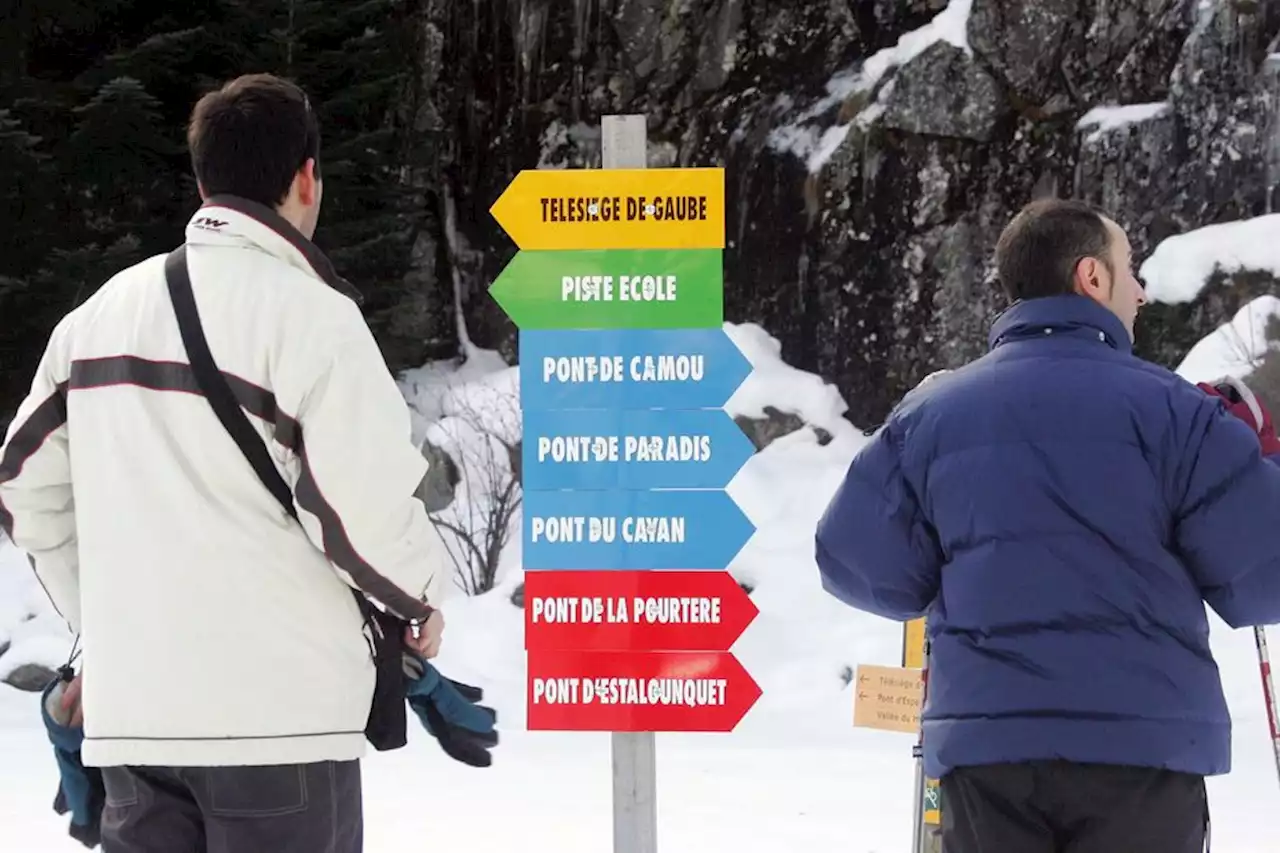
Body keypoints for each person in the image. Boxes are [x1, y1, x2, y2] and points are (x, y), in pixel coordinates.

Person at [0, 73, 453, 853]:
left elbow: (23, 486)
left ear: (203, 180)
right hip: (280, 731)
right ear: (307, 177)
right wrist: (421, 605)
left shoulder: (98, 315)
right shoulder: (315, 319)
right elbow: (362, 513)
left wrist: (111, 620)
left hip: (136, 727)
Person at [814, 197, 1280, 852]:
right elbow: (1264, 579)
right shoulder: (1180, 414)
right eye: (1130, 268)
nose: (1142, 292)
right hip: (1142, 751)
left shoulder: (933, 414)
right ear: (1092, 277)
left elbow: (856, 565)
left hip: (987, 756)